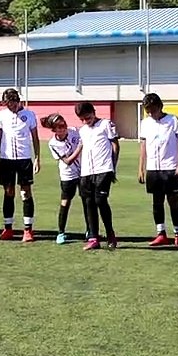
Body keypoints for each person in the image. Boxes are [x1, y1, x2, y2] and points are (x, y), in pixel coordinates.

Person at [138, 93, 178, 248]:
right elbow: (143, 145)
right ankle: (161, 234)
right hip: (153, 168)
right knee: (157, 201)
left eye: (153, 111)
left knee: (173, 200)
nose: (151, 114)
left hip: (170, 167)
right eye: (148, 111)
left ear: (160, 107)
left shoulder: (172, 120)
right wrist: (141, 168)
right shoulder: (145, 123)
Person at [0, 88, 41, 242]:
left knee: (25, 192)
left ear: (17, 101)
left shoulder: (29, 115)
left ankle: (28, 230)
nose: (10, 107)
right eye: (7, 104)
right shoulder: (2, 115)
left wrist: (37, 158)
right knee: (8, 192)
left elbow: (35, 138)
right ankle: (8, 228)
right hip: (6, 159)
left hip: (24, 159)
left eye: (12, 104)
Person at [76, 102, 119, 251]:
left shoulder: (105, 124)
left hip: (103, 169)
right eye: (82, 119)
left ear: (94, 112)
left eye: (88, 118)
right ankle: (93, 237)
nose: (85, 121)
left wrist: (113, 167)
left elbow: (115, 146)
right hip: (86, 171)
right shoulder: (83, 130)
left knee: (101, 201)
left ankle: (110, 235)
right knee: (89, 203)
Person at [41, 113, 82, 245]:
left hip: (84, 172)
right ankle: (61, 232)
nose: (63, 127)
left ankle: (91, 231)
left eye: (64, 124)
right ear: (54, 129)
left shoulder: (74, 131)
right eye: (59, 126)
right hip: (68, 175)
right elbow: (68, 161)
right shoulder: (53, 143)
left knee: (88, 201)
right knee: (65, 202)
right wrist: (80, 147)